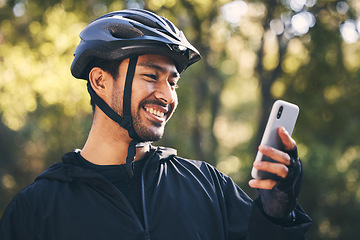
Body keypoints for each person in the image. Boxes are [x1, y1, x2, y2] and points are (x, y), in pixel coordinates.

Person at [0, 9, 311, 240]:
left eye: (173, 83)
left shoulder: (209, 186)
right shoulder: (36, 209)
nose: (166, 95)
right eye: (151, 76)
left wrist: (277, 214)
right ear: (99, 81)